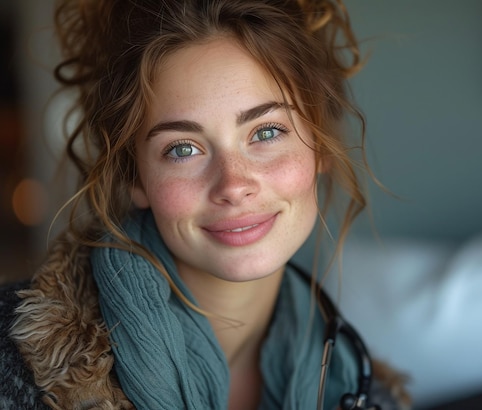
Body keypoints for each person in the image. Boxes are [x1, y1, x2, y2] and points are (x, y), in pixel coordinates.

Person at [0, 0, 411, 409]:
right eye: (182, 148)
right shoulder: (12, 360)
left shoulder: (363, 392)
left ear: (320, 145)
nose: (233, 184)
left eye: (266, 132)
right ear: (135, 177)